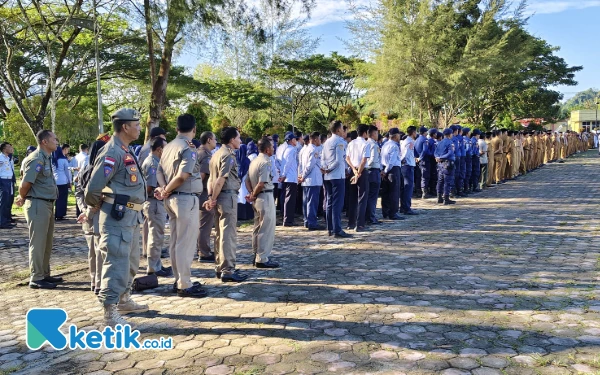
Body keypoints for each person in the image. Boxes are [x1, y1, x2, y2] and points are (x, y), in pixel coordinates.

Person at [84, 108, 148, 326]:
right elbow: (92, 189)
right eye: (137, 124)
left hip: (131, 217)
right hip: (116, 219)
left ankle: (124, 299)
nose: (140, 128)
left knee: (130, 263)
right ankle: (110, 312)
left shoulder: (125, 149)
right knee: (115, 265)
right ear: (125, 127)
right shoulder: (112, 152)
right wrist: (97, 206)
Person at [155, 114, 206, 297]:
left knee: (176, 241)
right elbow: (183, 176)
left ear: (177, 129)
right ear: (194, 129)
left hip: (171, 199)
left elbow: (159, 170)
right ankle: (184, 283)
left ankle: (179, 279)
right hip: (185, 198)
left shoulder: (167, 146)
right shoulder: (188, 148)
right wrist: (167, 189)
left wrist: (163, 189)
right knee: (185, 242)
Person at [15, 130, 61, 289]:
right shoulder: (36, 159)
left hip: (47, 203)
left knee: (47, 243)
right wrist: (23, 197)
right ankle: (36, 278)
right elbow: (25, 184)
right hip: (37, 204)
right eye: (54, 139)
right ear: (44, 142)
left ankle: (44, 274)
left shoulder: (46, 158)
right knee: (38, 242)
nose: (57, 141)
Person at [206, 127, 248, 282]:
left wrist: (211, 196)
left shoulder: (215, 154)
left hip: (218, 197)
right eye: (238, 138)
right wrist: (213, 198)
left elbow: (211, 180)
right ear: (232, 140)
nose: (240, 141)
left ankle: (220, 266)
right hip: (226, 197)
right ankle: (228, 269)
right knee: (228, 235)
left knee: (219, 234)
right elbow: (221, 179)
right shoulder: (228, 155)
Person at [75, 138, 107, 294]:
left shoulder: (85, 169)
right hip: (98, 215)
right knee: (100, 251)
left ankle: (94, 281)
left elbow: (79, 192)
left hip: (87, 216)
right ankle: (100, 283)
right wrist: (90, 209)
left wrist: (83, 208)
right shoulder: (102, 171)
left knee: (92, 252)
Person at [245, 137, 279, 268]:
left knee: (257, 227)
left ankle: (256, 254)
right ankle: (262, 258)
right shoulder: (265, 162)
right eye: (272, 146)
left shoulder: (254, 161)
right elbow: (261, 182)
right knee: (266, 228)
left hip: (257, 198)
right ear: (267, 149)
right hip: (264, 196)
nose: (274, 148)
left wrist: (251, 194)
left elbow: (247, 180)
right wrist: (253, 194)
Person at [141, 137, 172, 278]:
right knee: (155, 236)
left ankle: (156, 264)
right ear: (159, 149)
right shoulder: (152, 164)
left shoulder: (155, 161)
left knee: (157, 235)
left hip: (155, 203)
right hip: (153, 202)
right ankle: (153, 267)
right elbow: (150, 186)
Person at [321, 120, 352, 238]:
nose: (344, 131)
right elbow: (339, 160)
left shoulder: (327, 142)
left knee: (329, 202)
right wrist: (329, 168)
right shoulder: (340, 142)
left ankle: (330, 228)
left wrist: (325, 168)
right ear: (338, 130)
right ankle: (337, 229)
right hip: (336, 175)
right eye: (342, 129)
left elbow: (322, 158)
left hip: (327, 176)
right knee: (337, 204)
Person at [346, 124, 371, 231]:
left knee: (352, 198)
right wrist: (358, 172)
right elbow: (364, 160)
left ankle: (351, 223)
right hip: (362, 172)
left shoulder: (351, 143)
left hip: (353, 171)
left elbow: (347, 158)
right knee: (362, 197)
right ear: (365, 133)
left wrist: (354, 170)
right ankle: (360, 224)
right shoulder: (366, 144)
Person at [197, 131, 217, 262]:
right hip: (203, 192)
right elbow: (202, 176)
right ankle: (203, 252)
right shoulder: (206, 155)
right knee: (205, 224)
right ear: (209, 140)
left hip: (199, 193)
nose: (216, 142)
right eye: (214, 139)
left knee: (201, 223)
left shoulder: (198, 152)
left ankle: (201, 249)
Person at [299, 132, 324, 231]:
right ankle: (312, 222)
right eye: (318, 139)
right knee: (312, 202)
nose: (319, 141)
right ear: (314, 139)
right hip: (312, 179)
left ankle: (307, 221)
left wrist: (300, 175)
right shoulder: (313, 150)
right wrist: (303, 175)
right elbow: (310, 165)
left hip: (305, 180)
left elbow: (300, 165)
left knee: (306, 201)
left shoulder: (303, 150)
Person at [380, 128, 403, 220]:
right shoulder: (394, 146)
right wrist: (386, 171)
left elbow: (381, 158)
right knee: (394, 192)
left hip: (384, 170)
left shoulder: (385, 145)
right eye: (399, 135)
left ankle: (385, 211)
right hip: (393, 170)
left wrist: (382, 170)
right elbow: (392, 161)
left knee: (385, 192)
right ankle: (393, 213)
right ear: (396, 135)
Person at [365, 126, 382, 225]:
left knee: (368, 196)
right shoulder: (374, 145)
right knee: (372, 196)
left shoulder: (366, 143)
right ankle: (371, 217)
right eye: (376, 133)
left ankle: (368, 216)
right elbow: (371, 160)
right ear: (373, 134)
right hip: (373, 170)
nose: (377, 135)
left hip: (367, 171)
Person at [434, 128, 456, 205]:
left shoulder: (439, 142)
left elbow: (435, 152)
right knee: (447, 181)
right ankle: (446, 198)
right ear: (450, 134)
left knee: (440, 181)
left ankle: (439, 197)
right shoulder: (450, 142)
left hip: (440, 164)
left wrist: (438, 157)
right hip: (447, 163)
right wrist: (442, 157)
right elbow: (450, 153)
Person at [282, 132, 299, 226]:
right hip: (290, 177)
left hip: (289, 177)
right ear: (292, 140)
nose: (296, 141)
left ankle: (288, 219)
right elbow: (287, 164)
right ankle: (288, 220)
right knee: (290, 199)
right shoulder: (291, 150)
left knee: (289, 199)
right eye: (295, 139)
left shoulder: (287, 149)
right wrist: (284, 174)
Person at [400, 126, 418, 215]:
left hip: (405, 166)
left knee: (405, 188)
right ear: (413, 132)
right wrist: (403, 160)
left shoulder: (405, 141)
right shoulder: (410, 141)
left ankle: (403, 207)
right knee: (408, 187)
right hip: (408, 166)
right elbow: (406, 153)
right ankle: (406, 207)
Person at [52, 146, 72, 220]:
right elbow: (67, 171)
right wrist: (70, 181)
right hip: (63, 181)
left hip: (54, 181)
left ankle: (55, 213)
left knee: (56, 198)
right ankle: (60, 214)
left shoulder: (53, 160)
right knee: (62, 198)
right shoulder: (63, 160)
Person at [0, 142, 15, 229]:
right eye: (9, 147)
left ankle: (6, 220)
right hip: (3, 180)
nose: (11, 148)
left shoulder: (7, 158)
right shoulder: (1, 158)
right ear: (4, 149)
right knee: (3, 201)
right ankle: (2, 222)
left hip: (9, 180)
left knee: (8, 201)